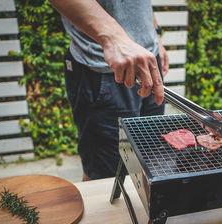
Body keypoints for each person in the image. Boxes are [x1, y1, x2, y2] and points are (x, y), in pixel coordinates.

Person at [49, 0, 169, 181]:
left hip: (149, 59)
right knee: (105, 174)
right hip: (104, 69)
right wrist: (113, 38)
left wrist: (155, 35)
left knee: (149, 159)